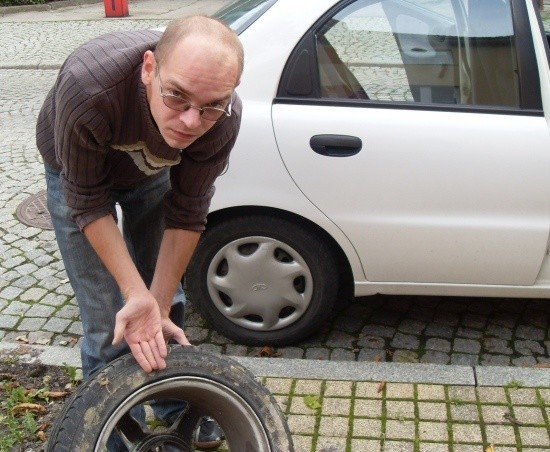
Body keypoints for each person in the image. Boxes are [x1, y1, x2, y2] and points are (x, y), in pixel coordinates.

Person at [36, 15, 243, 450]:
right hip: (74, 175)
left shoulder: (222, 115)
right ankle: (108, 433)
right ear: (149, 69)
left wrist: (158, 301)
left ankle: (176, 411)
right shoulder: (89, 88)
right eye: (176, 96)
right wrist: (135, 295)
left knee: (164, 307)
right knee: (108, 318)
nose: (190, 121)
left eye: (209, 105)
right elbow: (88, 202)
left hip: (151, 173)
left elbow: (187, 213)